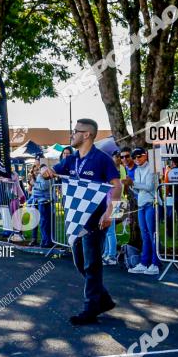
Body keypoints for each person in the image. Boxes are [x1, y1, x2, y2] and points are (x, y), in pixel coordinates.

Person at [53, 118, 121, 326]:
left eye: (75, 131)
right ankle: (105, 300)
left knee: (92, 265)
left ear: (87, 134)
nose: (72, 135)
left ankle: (90, 309)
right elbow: (55, 171)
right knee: (80, 263)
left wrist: (110, 213)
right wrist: (47, 173)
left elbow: (117, 186)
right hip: (76, 219)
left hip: (95, 219)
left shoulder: (102, 159)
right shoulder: (71, 159)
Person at [127, 148, 161, 276]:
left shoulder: (151, 168)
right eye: (134, 157)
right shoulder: (137, 171)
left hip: (151, 203)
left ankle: (155, 263)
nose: (136, 159)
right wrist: (131, 186)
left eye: (139, 156)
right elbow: (139, 191)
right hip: (141, 205)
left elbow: (149, 187)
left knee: (152, 234)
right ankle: (145, 262)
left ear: (145, 156)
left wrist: (133, 183)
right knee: (145, 235)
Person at [102, 150, 122, 264]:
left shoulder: (116, 171)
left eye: (119, 157)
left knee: (110, 231)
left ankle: (112, 256)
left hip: (114, 202)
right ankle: (106, 253)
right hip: (109, 202)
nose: (117, 159)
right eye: (116, 157)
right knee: (106, 230)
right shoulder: (112, 170)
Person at [29, 163, 55, 248]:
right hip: (39, 201)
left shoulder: (42, 175)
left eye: (38, 169)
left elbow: (44, 186)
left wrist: (34, 183)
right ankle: (45, 241)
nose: (38, 171)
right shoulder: (40, 176)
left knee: (44, 222)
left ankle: (46, 242)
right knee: (43, 222)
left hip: (43, 201)